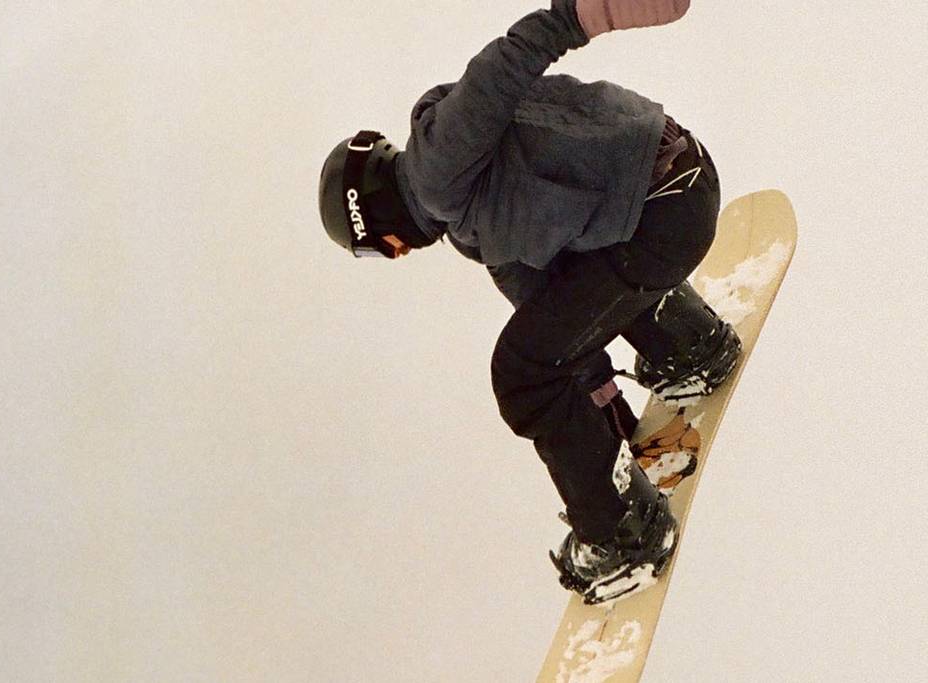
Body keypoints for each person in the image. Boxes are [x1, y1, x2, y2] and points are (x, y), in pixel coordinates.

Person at [316, 0, 742, 604]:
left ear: (374, 214)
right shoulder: (475, 224)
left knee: (518, 375)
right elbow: (554, 314)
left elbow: (501, 69)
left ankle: (620, 534)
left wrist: (582, 14)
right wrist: (610, 416)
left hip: (665, 210)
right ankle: (687, 347)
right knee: (552, 325)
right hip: (674, 190)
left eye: (379, 249)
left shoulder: (438, 167)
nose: (398, 254)